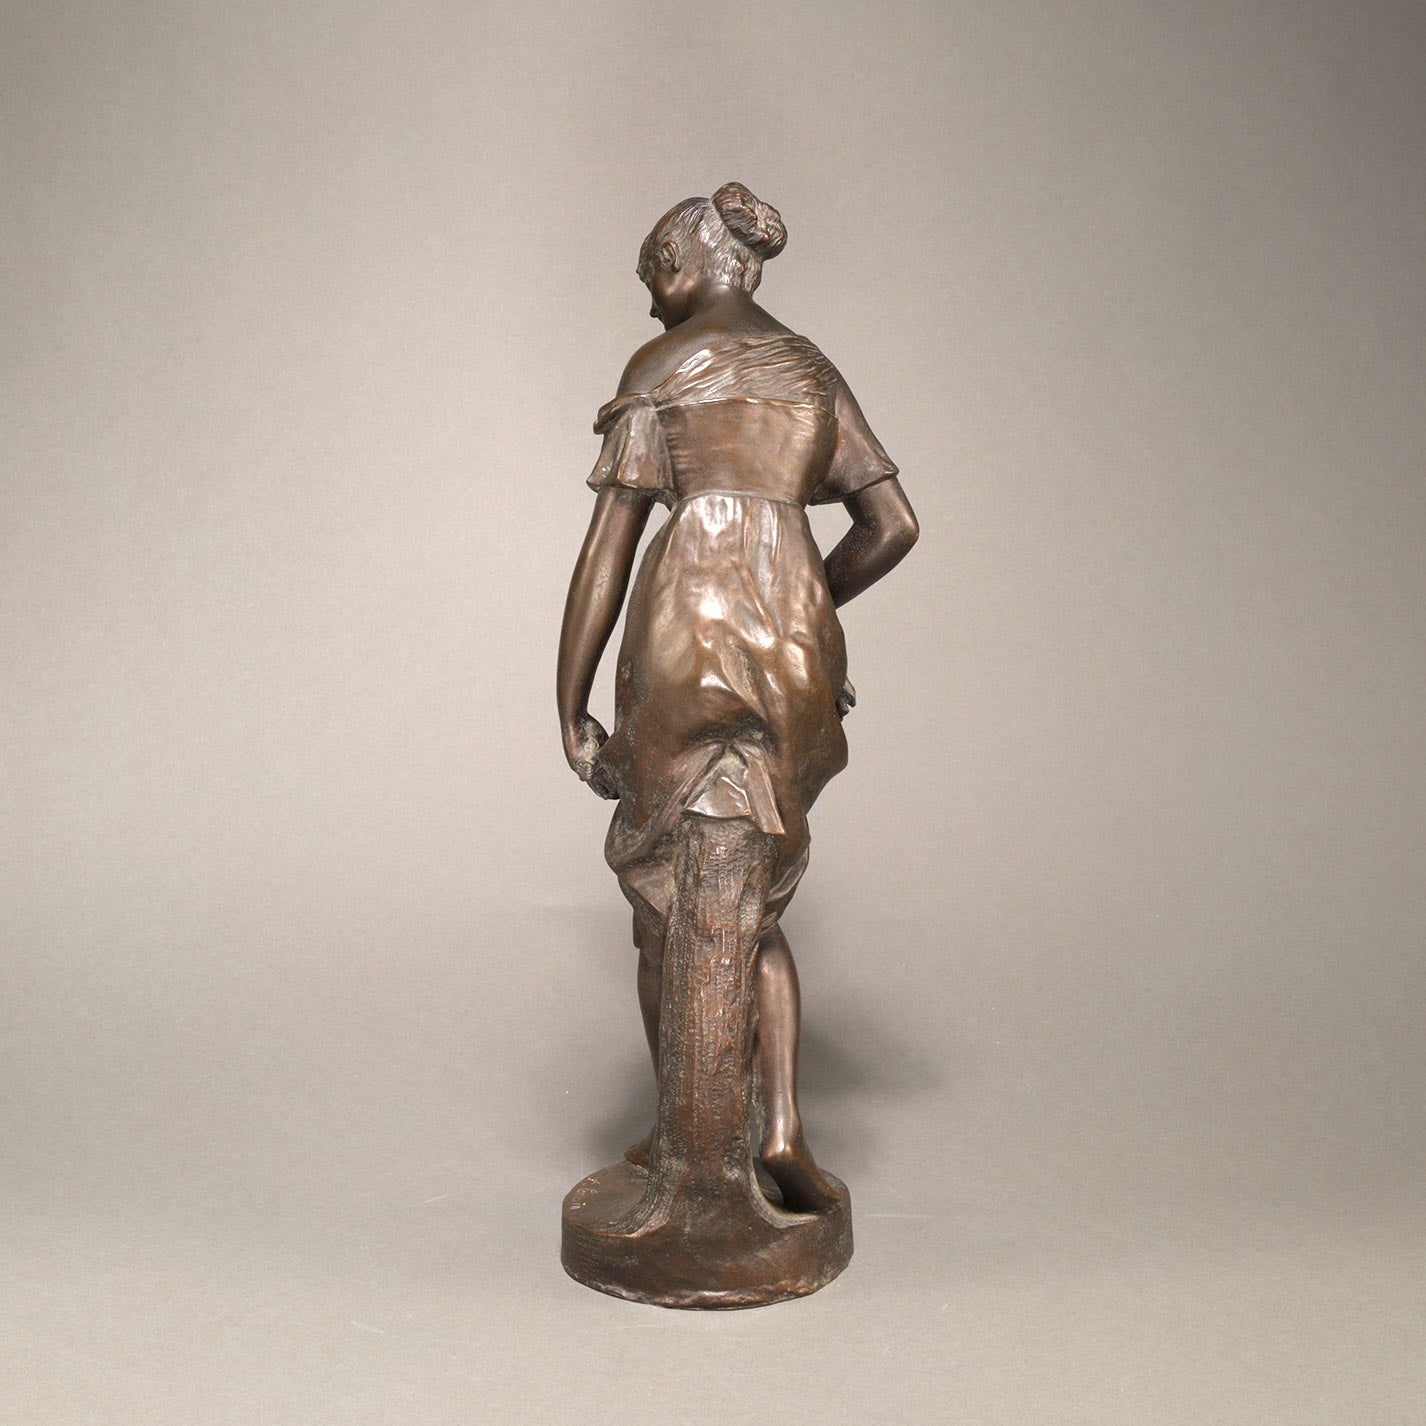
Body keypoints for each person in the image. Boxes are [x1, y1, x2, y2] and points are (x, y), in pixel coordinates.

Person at [557, 182, 918, 1213]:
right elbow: (892, 525)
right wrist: (807, 609)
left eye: (652, 275)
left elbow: (607, 550)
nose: (649, 300)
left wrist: (568, 698)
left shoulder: (659, 368)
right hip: (791, 651)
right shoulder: (811, 371)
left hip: (683, 636)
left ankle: (685, 1130)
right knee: (755, 896)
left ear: (685, 261)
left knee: (657, 892)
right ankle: (779, 1126)